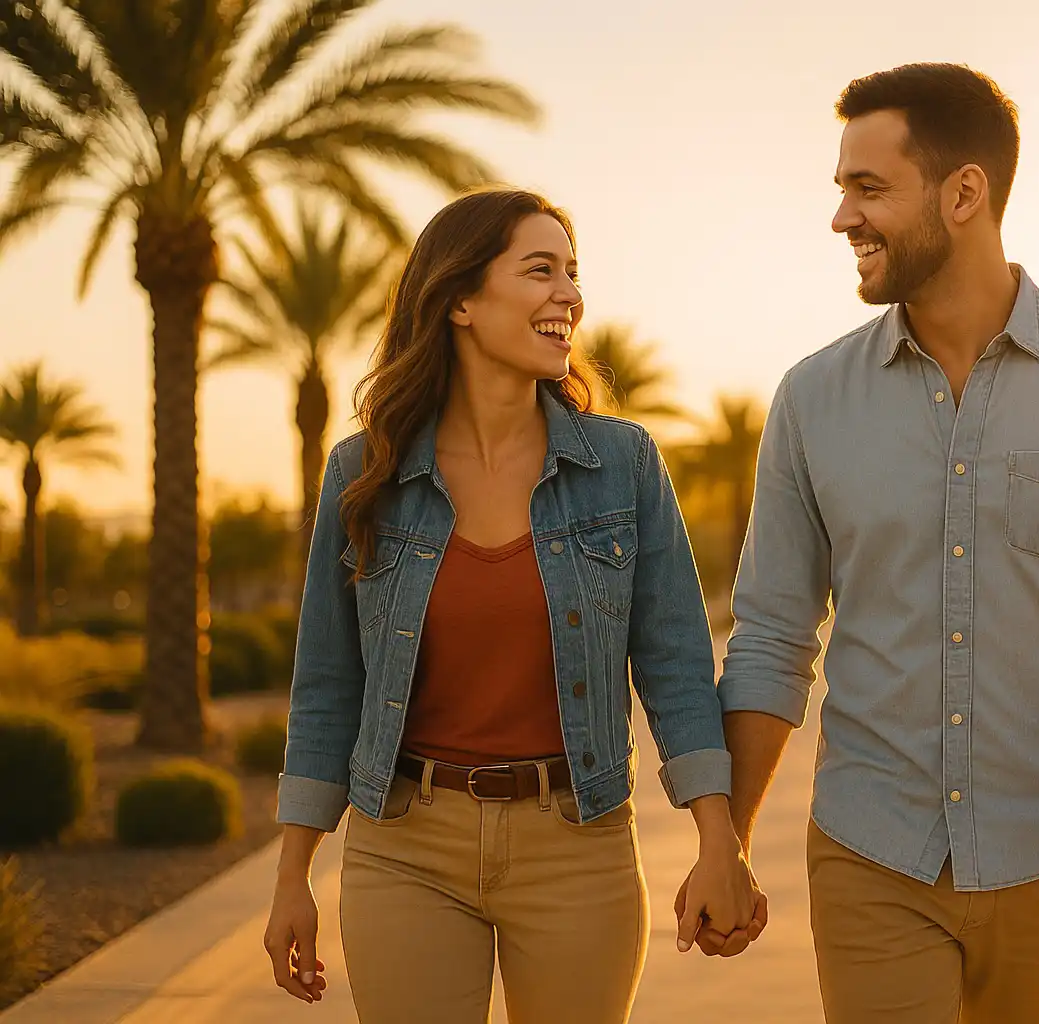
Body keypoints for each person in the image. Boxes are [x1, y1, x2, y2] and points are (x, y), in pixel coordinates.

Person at [701, 64, 1039, 1023]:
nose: (842, 218)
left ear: (965, 193)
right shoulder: (812, 401)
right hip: (872, 851)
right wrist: (722, 843)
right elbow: (775, 637)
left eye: (868, 188)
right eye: (841, 189)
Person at [263, 187, 762, 1024]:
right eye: (540, 271)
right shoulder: (364, 473)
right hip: (405, 847)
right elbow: (326, 685)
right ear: (460, 299)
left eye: (573, 273)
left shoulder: (623, 463)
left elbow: (675, 663)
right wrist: (292, 877)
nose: (568, 294)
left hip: (578, 844)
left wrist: (722, 841)